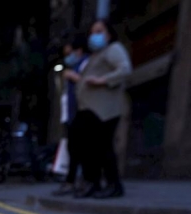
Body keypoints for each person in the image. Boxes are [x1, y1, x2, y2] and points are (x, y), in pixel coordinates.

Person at [71, 19, 132, 199]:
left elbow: (125, 69)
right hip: (91, 109)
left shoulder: (113, 49)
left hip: (104, 111)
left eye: (99, 31)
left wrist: (102, 80)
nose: (94, 36)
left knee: (103, 147)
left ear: (109, 33)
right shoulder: (97, 54)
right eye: (92, 32)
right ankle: (93, 182)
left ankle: (114, 185)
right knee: (88, 147)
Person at [52, 33, 90, 197]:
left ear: (79, 50)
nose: (68, 57)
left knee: (81, 149)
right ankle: (71, 181)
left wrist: (74, 77)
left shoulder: (86, 63)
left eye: (70, 53)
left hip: (82, 112)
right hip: (71, 114)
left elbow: (89, 82)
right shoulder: (71, 68)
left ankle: (80, 181)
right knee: (73, 149)